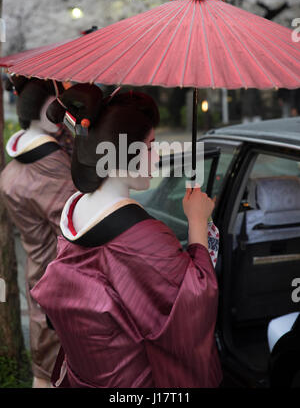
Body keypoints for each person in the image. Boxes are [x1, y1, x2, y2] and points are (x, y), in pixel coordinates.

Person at [30, 84, 223, 388]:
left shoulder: (76, 209)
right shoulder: (144, 236)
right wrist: (198, 221)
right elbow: (195, 302)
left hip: (85, 375)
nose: (157, 156)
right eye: (150, 145)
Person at [0, 76, 76, 388]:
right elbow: (78, 225)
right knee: (55, 373)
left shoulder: (14, 167)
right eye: (58, 107)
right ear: (47, 109)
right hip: (61, 284)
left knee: (44, 371)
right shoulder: (50, 166)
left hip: (37, 272)